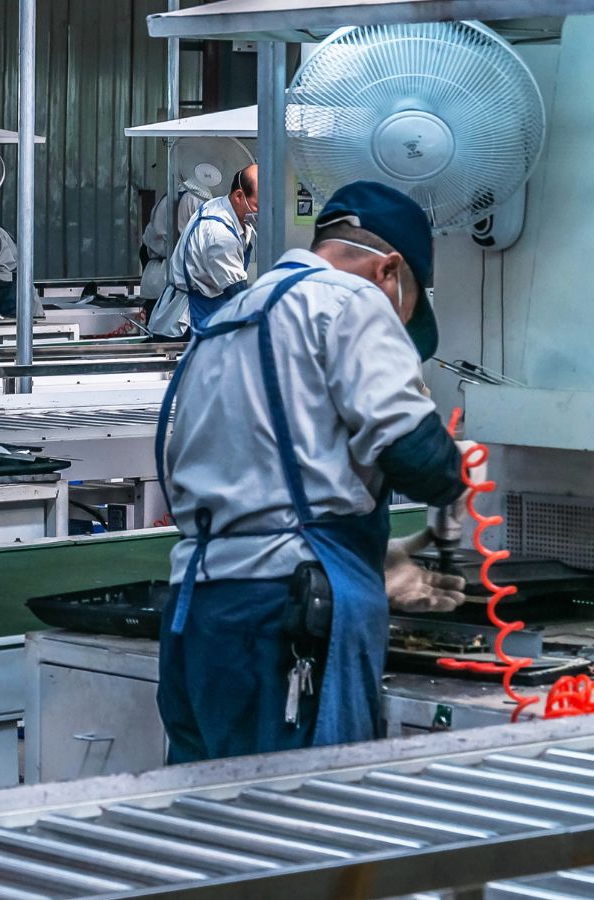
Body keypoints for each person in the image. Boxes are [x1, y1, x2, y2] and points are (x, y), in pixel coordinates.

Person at [155, 181, 469, 764]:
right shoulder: (351, 300)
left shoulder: (233, 317)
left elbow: (264, 476)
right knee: (301, 830)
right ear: (390, 271)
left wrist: (370, 557)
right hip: (282, 619)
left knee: (207, 833)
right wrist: (457, 471)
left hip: (194, 614)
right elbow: (419, 457)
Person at [146, 164, 259, 338]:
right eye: (257, 205)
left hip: (207, 311)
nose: (262, 212)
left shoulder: (221, 206)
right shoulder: (219, 235)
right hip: (190, 322)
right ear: (238, 196)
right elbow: (237, 292)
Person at [139, 176, 213, 303]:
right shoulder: (198, 200)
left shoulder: (168, 197)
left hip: (154, 282)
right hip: (180, 286)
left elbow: (144, 249)